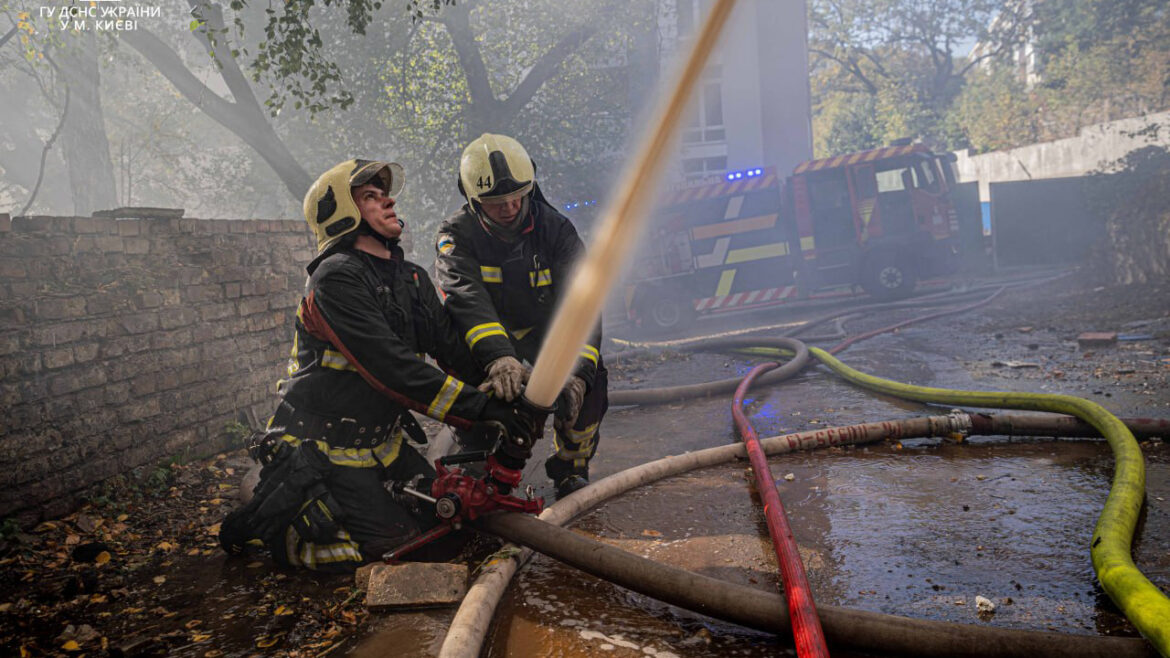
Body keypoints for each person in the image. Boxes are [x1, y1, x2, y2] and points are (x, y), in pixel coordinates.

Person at [219, 159, 529, 572]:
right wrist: (481, 410)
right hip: (322, 451)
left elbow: (451, 350)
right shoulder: (335, 279)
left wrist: (506, 392)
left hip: (383, 446)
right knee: (389, 550)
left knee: (452, 525)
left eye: (386, 194)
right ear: (342, 213)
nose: (389, 200)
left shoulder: (411, 280)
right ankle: (288, 525)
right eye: (371, 196)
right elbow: (390, 367)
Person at [434, 134, 608, 499]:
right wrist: (498, 357)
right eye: (496, 201)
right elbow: (466, 297)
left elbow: (582, 304)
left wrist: (578, 374)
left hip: (546, 330)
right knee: (483, 394)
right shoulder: (456, 236)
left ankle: (570, 467)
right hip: (487, 338)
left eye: (519, 195)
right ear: (472, 199)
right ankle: (482, 472)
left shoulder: (556, 230)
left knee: (589, 388)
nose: (511, 206)